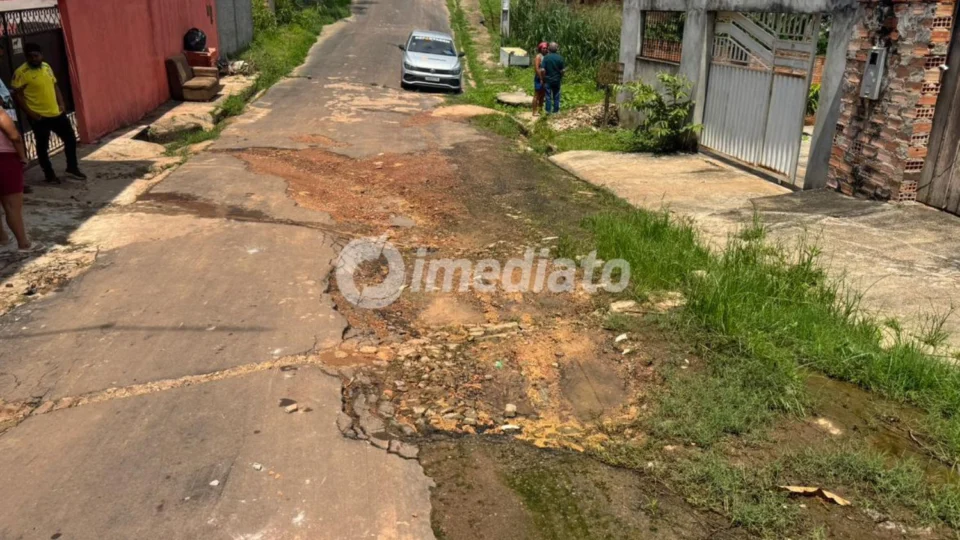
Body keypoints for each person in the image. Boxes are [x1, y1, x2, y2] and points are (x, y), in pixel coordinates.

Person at [11, 43, 85, 184]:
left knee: (70, 139)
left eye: (36, 56)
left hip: (56, 113)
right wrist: (31, 114)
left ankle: (72, 167)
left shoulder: (46, 67)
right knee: (42, 147)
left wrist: (61, 103)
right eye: (30, 56)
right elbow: (17, 96)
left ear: (41, 55)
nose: (33, 59)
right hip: (39, 117)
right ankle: (49, 175)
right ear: (26, 57)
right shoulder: (21, 73)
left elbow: (54, 85)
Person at [0, 104, 40, 252]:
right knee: (12, 206)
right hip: (4, 159)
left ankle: (3, 240)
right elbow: (14, 136)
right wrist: (23, 157)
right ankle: (23, 244)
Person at [541, 42, 565, 115]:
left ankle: (548, 111)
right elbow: (563, 70)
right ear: (556, 49)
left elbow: (542, 70)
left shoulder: (546, 57)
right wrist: (561, 77)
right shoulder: (560, 58)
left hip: (548, 80)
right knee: (556, 95)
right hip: (557, 80)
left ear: (549, 49)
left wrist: (543, 78)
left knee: (548, 96)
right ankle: (556, 111)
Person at [532, 42, 548, 116]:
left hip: (545, 78)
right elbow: (536, 68)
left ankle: (540, 110)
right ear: (540, 49)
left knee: (542, 95)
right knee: (537, 95)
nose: (545, 49)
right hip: (539, 78)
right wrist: (541, 78)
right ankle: (534, 111)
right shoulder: (538, 56)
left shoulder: (547, 56)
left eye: (546, 48)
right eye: (543, 48)